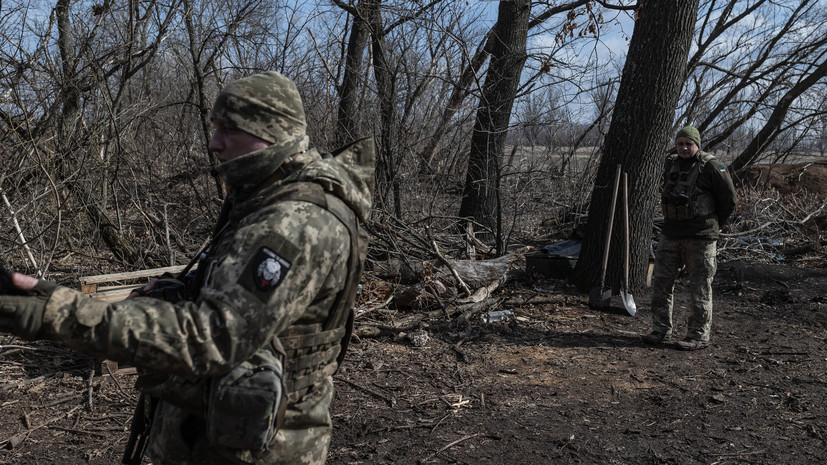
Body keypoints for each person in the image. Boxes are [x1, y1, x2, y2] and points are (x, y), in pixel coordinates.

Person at [0, 71, 375, 465]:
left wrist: (59, 313)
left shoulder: (295, 222)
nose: (214, 143)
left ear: (272, 130)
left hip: (256, 450)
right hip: (215, 431)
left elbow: (212, 337)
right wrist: (178, 291)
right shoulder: (266, 196)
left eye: (228, 129)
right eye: (215, 127)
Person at [643, 125, 736, 350]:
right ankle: (660, 329)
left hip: (701, 237)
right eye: (680, 143)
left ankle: (698, 336)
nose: (684, 148)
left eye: (689, 144)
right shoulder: (670, 163)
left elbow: (729, 199)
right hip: (671, 234)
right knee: (661, 282)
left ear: (697, 145)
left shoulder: (712, 166)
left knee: (699, 286)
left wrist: (712, 225)